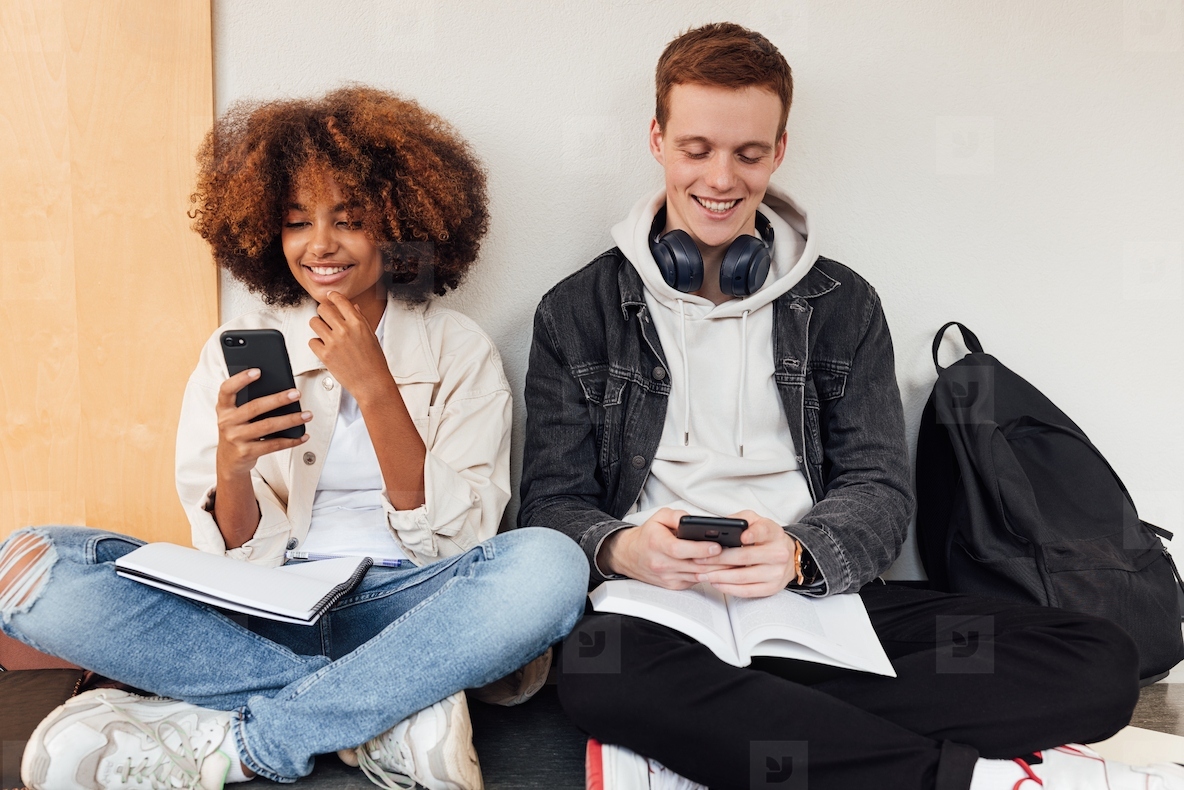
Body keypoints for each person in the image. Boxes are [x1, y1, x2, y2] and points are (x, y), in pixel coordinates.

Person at [519, 23, 1176, 790]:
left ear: (780, 151)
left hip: (818, 603)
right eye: (697, 149)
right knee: (600, 675)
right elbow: (550, 500)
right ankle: (957, 778)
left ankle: (755, 724)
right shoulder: (575, 311)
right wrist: (625, 550)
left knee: (1099, 666)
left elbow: (879, 487)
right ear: (658, 140)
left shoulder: (842, 303)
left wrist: (801, 554)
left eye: (749, 153)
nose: (721, 178)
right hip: (661, 615)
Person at [0, 86, 588, 790]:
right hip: (262, 613)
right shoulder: (234, 350)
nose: (320, 245)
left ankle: (239, 738)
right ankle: (383, 716)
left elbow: (455, 544)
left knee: (550, 565)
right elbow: (233, 553)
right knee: (29, 569)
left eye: (351, 219)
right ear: (264, 233)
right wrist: (234, 464)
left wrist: (375, 389)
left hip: (410, 614)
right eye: (296, 221)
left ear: (399, 224)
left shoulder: (456, 349)